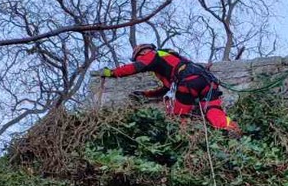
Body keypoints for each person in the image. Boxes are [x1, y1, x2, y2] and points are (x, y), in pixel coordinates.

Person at [101, 44, 237, 132]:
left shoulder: (153, 54)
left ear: (142, 53)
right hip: (208, 82)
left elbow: (136, 67)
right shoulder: (173, 59)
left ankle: (185, 138)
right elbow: (166, 88)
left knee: (180, 115)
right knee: (213, 109)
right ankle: (231, 129)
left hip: (189, 83)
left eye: (139, 58)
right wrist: (146, 94)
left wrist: (112, 73)